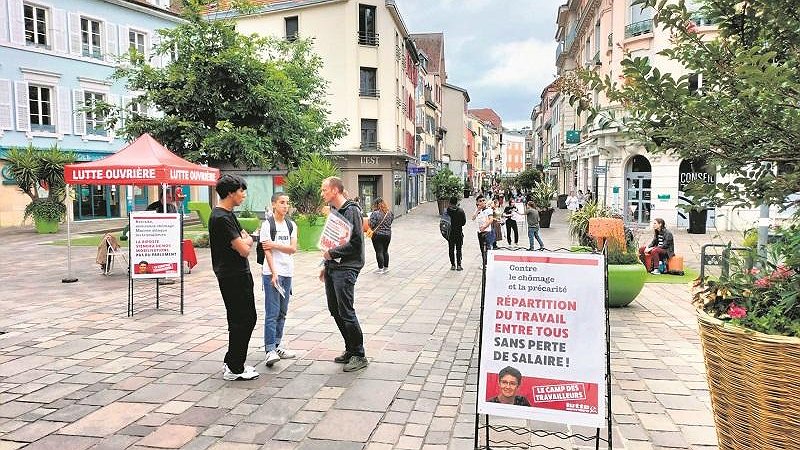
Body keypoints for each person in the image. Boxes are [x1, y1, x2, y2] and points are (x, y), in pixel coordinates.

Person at [209, 174, 259, 381]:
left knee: (239, 319)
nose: (243, 195)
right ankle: (235, 367)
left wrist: (246, 240)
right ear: (230, 193)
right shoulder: (221, 218)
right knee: (245, 319)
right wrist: (247, 241)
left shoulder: (227, 214)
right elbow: (244, 249)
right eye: (241, 191)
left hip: (237, 274)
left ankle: (231, 360)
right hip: (233, 275)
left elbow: (245, 238)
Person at [319, 177, 369, 372]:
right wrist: (326, 264)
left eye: (324, 190)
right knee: (335, 309)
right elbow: (333, 240)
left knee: (346, 311)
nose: (322, 193)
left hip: (347, 267)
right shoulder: (335, 211)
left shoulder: (351, 210)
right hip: (333, 267)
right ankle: (350, 349)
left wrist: (332, 254)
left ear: (335, 190)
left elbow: (356, 243)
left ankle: (359, 354)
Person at [260, 192, 298, 368]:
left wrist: (275, 244)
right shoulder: (267, 225)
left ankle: (277, 344)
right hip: (272, 273)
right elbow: (266, 251)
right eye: (282, 202)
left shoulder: (291, 225)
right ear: (274, 204)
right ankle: (270, 349)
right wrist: (274, 273)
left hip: (287, 272)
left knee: (282, 312)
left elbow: (293, 249)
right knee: (272, 312)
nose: (285, 206)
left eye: (287, 203)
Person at [368, 197, 394, 274]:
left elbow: (371, 225)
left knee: (379, 251)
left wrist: (369, 220)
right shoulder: (389, 212)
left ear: (376, 205)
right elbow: (391, 222)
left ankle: (380, 269)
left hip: (377, 235)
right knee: (385, 251)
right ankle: (386, 268)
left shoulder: (375, 213)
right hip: (388, 235)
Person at [471, 195, 494, 265]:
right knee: (482, 249)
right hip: (480, 232)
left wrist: (484, 226)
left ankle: (488, 264)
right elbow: (473, 218)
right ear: (477, 203)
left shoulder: (488, 209)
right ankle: (484, 263)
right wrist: (478, 210)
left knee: (488, 248)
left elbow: (491, 219)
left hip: (487, 232)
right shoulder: (478, 210)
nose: (482, 202)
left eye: (483, 200)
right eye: (480, 201)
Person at [446, 196, 467, 271]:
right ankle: (459, 265)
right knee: (459, 249)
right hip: (458, 233)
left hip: (450, 233)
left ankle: (452, 265)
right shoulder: (460, 211)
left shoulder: (447, 211)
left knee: (451, 249)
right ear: (457, 202)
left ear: (450, 202)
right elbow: (463, 223)